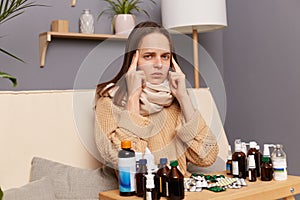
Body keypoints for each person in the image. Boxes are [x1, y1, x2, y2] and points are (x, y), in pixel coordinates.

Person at [94, 21, 219, 176]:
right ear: (133, 60)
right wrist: (133, 97)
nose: (159, 64)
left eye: (165, 56)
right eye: (149, 56)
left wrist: (184, 98)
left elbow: (207, 157)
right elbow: (126, 165)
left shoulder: (174, 99)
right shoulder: (108, 102)